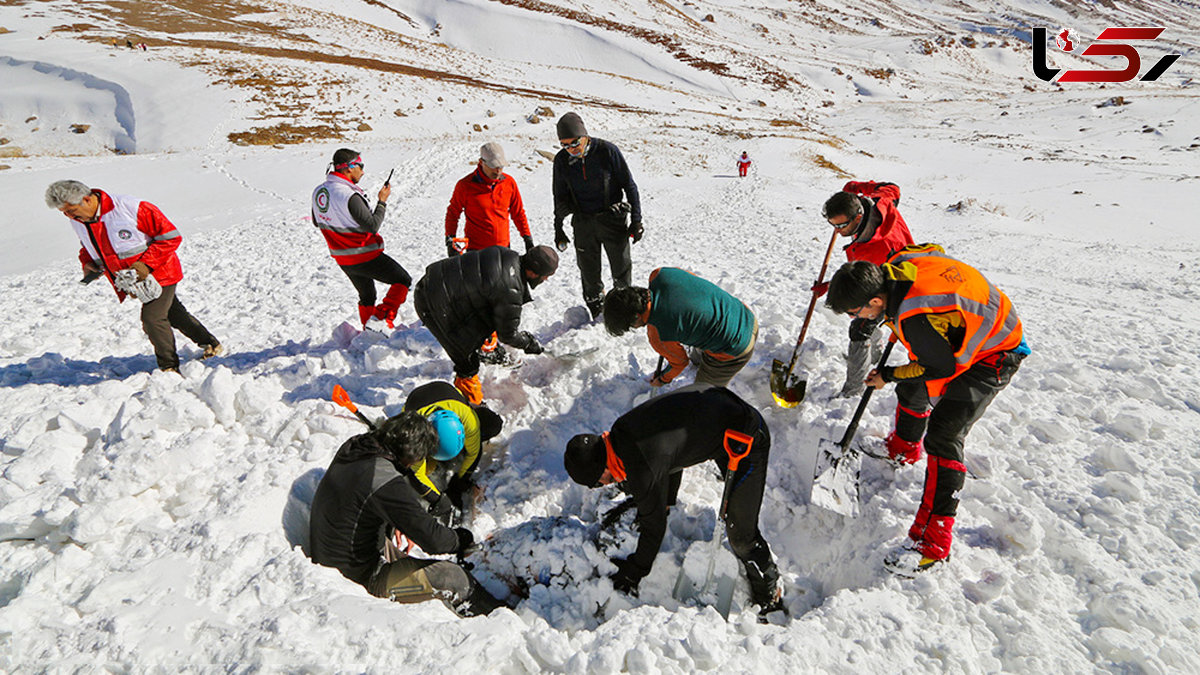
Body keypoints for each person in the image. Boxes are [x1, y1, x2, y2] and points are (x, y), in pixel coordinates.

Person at [825, 244, 1029, 576]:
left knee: (944, 434)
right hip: (972, 325)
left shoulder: (916, 317)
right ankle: (903, 448)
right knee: (911, 389)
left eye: (854, 312)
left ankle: (932, 544)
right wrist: (889, 322)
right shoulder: (898, 265)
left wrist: (887, 374)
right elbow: (933, 249)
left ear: (876, 301)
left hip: (996, 350)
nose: (854, 319)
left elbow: (937, 367)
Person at [563, 384, 783, 618]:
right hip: (716, 411)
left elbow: (654, 527)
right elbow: (669, 455)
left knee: (741, 535)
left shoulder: (641, 464)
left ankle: (770, 593)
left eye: (599, 482)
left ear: (603, 467)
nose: (604, 485)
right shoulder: (621, 432)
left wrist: (635, 571)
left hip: (746, 434)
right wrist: (665, 500)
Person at [309, 411, 504, 616]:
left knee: (405, 554)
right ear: (408, 455)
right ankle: (498, 619)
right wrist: (460, 539)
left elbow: (369, 498)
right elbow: (434, 541)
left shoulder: (357, 446)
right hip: (355, 575)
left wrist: (397, 521)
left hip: (333, 548)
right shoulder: (383, 480)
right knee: (453, 577)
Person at [44, 180, 222, 372]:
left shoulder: (130, 208)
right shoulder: (80, 220)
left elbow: (170, 237)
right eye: (63, 212)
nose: (68, 216)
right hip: (134, 281)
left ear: (86, 199)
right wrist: (88, 263)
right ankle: (210, 343)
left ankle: (168, 367)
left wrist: (145, 266)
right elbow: (89, 245)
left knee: (152, 318)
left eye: (70, 210)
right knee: (174, 314)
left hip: (160, 272)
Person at [413, 245, 559, 405]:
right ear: (533, 272)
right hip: (432, 303)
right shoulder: (511, 289)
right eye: (546, 276)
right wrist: (528, 343)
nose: (546, 280)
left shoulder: (506, 255)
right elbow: (507, 335)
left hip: (432, 282)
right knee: (466, 357)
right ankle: (472, 405)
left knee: (480, 329)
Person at [818, 180, 915, 397]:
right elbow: (892, 188)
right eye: (833, 225)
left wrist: (831, 287)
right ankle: (876, 353)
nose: (837, 230)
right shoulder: (881, 203)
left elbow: (864, 284)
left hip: (894, 285)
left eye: (841, 226)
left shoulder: (875, 249)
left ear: (858, 217)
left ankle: (854, 389)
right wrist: (856, 187)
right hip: (886, 271)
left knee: (859, 328)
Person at [445, 142, 536, 363]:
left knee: (503, 298)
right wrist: (450, 239)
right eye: (494, 166)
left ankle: (496, 338)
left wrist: (527, 239)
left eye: (501, 166)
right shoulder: (465, 186)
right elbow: (453, 212)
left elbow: (518, 213)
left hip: (503, 253)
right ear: (481, 163)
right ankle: (487, 347)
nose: (498, 171)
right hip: (476, 253)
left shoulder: (509, 183)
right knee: (482, 302)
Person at [551, 112, 643, 319]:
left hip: (612, 219)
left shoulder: (607, 151)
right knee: (588, 272)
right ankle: (596, 311)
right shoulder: (562, 161)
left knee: (621, 269)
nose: (571, 149)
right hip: (583, 222)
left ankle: (624, 313)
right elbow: (558, 194)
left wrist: (637, 220)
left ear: (585, 136)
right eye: (564, 145)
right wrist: (558, 227)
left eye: (574, 143)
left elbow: (629, 185)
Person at [602, 267, 757, 388]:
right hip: (744, 314)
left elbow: (679, 363)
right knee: (699, 330)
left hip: (736, 346)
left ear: (636, 316)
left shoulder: (658, 335)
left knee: (703, 393)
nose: (634, 328)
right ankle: (700, 361)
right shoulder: (660, 274)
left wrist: (662, 379)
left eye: (631, 326)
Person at [311, 148, 411, 329]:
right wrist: (382, 201)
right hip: (364, 254)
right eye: (360, 166)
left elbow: (317, 222)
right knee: (402, 280)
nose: (363, 171)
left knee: (367, 295)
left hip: (342, 257)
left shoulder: (319, 191)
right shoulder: (349, 195)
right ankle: (381, 319)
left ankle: (368, 331)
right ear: (349, 168)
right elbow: (372, 226)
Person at [402, 381, 505, 514]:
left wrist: (459, 481)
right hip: (416, 401)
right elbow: (417, 475)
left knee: (492, 425)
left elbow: (474, 454)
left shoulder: (469, 422)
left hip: (448, 393)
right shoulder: (412, 434)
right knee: (415, 465)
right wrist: (437, 499)